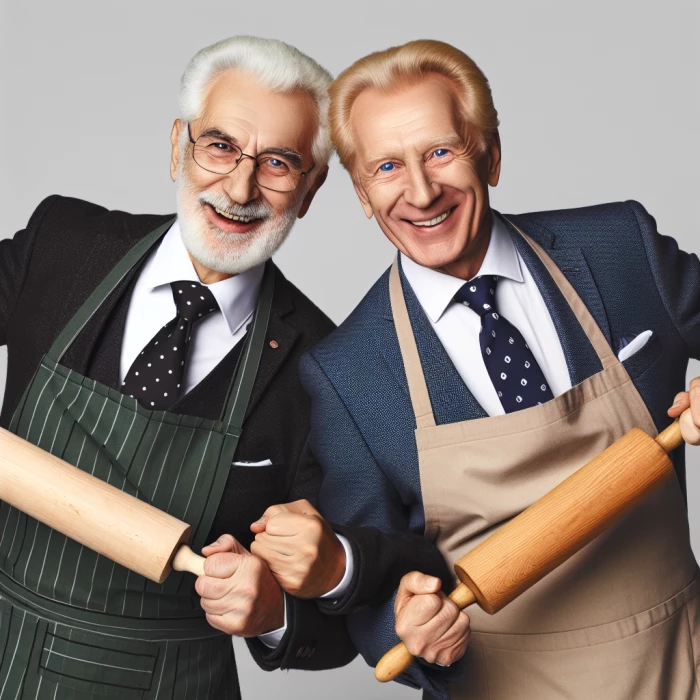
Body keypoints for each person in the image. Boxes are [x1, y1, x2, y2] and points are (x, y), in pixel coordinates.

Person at [0, 35, 451, 699]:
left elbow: (361, 608)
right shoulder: (65, 245)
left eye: (277, 163)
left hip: (167, 683)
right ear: (179, 145)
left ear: (311, 186)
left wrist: (272, 614)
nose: (239, 187)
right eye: (220, 146)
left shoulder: (326, 370)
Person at [292, 39, 700, 699]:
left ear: (493, 154)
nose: (421, 191)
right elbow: (371, 591)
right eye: (388, 166)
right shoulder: (348, 374)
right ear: (363, 192)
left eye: (441, 152)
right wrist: (415, 634)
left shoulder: (619, 251)